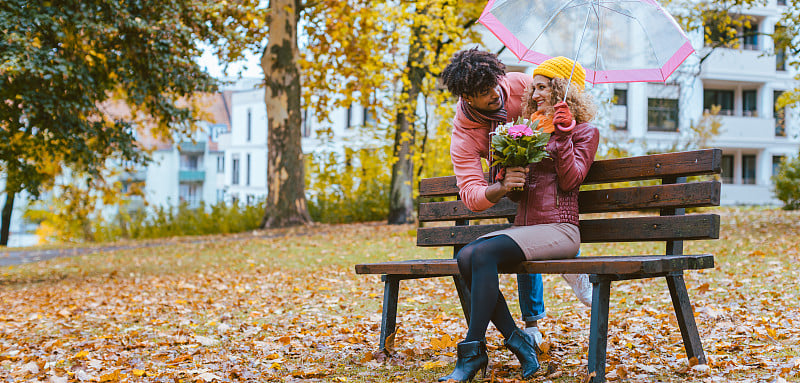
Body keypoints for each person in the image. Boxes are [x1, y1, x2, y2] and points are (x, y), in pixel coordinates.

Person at [439, 53, 599, 382]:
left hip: (561, 230)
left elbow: (570, 181)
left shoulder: (581, 131)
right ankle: (519, 343)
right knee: (467, 255)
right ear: (468, 97)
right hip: (529, 227)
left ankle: (472, 352)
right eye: (534, 88)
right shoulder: (525, 131)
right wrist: (504, 177)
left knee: (480, 252)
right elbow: (480, 192)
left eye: (543, 88)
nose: (533, 93)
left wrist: (565, 132)